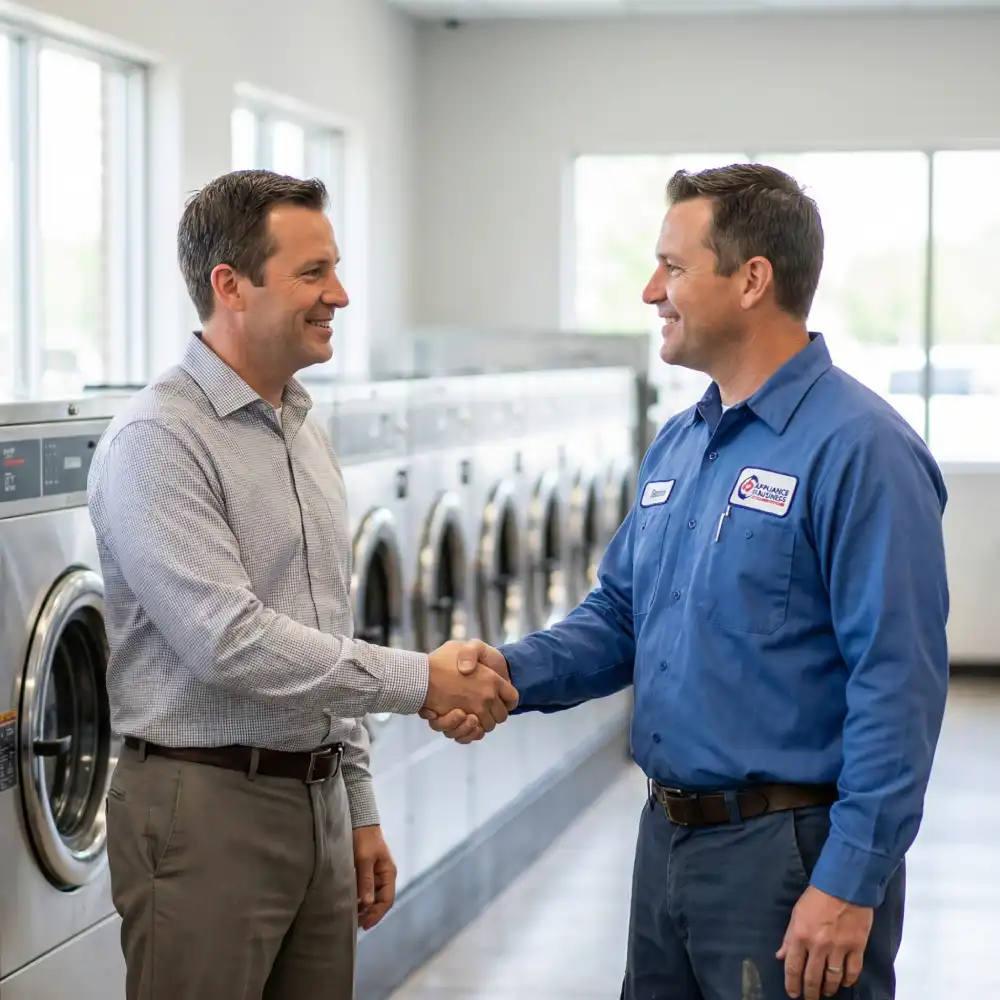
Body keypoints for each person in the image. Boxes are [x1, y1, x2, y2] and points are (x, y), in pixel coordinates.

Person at [422, 163, 949, 1000]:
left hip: (790, 854)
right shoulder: (681, 443)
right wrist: (506, 674)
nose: (647, 291)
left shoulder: (861, 449)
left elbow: (898, 684)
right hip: (665, 842)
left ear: (752, 280)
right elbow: (622, 617)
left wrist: (852, 881)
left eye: (671, 267)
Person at [87, 168, 516, 1000]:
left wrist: (355, 804)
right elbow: (232, 641)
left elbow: (324, 625)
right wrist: (420, 679)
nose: (340, 295)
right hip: (203, 806)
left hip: (314, 797)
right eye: (313, 273)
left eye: (336, 269)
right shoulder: (158, 441)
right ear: (230, 286)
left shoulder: (302, 430)